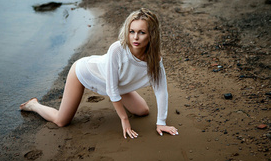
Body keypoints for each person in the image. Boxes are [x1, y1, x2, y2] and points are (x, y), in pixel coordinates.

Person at [20, 8, 178, 139]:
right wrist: (123, 119)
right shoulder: (118, 49)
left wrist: (161, 122)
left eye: (141, 32)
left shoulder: (155, 59)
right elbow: (112, 89)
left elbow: (160, 90)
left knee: (143, 111)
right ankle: (34, 105)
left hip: (115, 83)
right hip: (84, 72)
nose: (135, 37)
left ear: (152, 35)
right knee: (62, 121)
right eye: (132, 31)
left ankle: (122, 95)